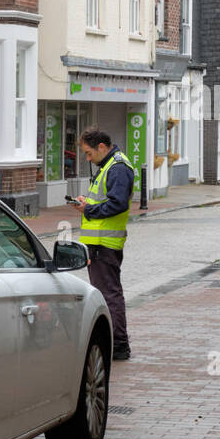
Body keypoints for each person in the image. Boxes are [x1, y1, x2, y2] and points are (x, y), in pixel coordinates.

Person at [68, 129, 134, 361]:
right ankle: (116, 344)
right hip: (99, 243)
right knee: (107, 293)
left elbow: (118, 204)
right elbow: (107, 200)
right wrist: (88, 203)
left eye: (88, 153)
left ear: (102, 148)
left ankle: (118, 346)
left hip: (104, 244)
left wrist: (89, 209)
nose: (87, 158)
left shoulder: (117, 168)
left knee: (109, 294)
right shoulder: (110, 167)